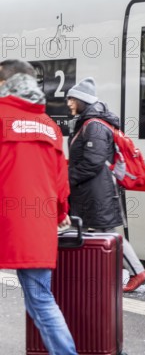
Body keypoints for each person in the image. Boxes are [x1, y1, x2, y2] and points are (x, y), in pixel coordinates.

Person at [0, 60, 78, 355]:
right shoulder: (48, 126)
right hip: (36, 224)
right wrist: (58, 216)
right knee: (42, 300)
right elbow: (61, 185)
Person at [66, 77, 145, 293]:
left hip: (97, 190)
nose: (68, 103)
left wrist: (68, 178)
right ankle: (83, 274)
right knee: (83, 229)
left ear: (82, 100)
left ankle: (137, 272)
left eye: (72, 99)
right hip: (91, 189)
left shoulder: (93, 126)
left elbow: (93, 162)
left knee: (106, 231)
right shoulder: (87, 123)